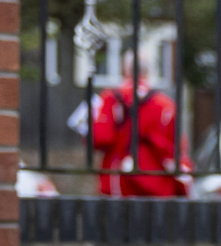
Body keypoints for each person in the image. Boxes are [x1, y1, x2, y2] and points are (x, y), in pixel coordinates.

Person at [70, 55, 192, 197]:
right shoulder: (166, 104)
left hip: (118, 181)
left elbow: (100, 138)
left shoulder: (111, 98)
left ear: (125, 70)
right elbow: (178, 147)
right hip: (157, 182)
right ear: (148, 72)